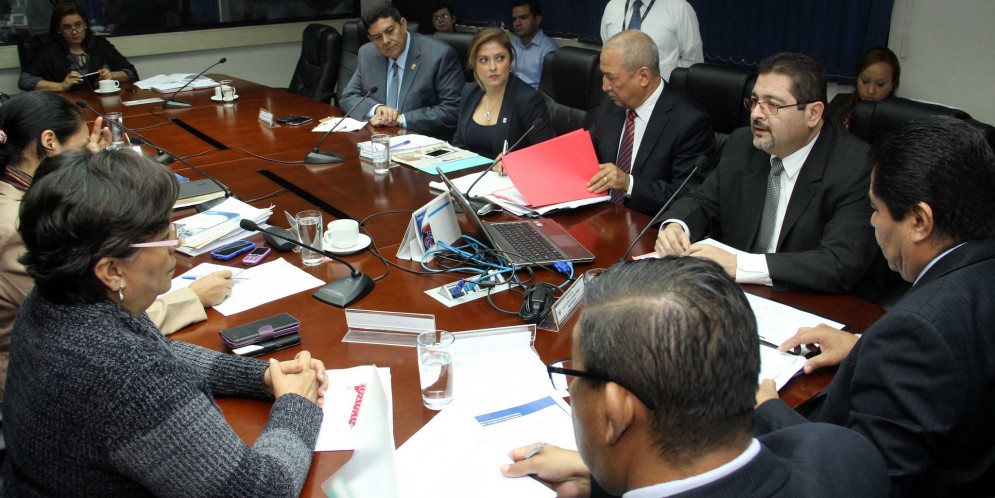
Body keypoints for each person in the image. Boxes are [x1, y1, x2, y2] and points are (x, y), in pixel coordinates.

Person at [2, 148, 328, 496]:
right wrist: (297, 402)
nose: (177, 243)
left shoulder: (56, 299)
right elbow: (261, 491)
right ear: (112, 270)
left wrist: (261, 376)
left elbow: (158, 350)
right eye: (163, 236)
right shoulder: (128, 377)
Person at [501, 258, 890, 497]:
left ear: (616, 412)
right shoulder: (845, 454)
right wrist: (605, 478)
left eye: (575, 376)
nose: (572, 388)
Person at [756, 116, 995, 497]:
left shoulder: (917, 331)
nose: (871, 222)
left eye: (876, 209)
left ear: (919, 221)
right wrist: (863, 345)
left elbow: (864, 480)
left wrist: (768, 409)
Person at [0, 92, 232, 402]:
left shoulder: (22, 193)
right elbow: (85, 317)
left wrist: (98, 178)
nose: (89, 155)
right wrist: (192, 298)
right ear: (49, 141)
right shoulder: (16, 225)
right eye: (83, 148)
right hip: (36, 383)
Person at [654, 52, 883, 298]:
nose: (756, 114)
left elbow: (839, 263)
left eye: (772, 105)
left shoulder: (856, 167)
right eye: (754, 102)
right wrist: (677, 226)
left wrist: (740, 265)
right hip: (737, 294)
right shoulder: (743, 144)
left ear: (813, 114)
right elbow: (704, 201)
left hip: (811, 301)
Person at [587, 30, 715, 215]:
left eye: (612, 77)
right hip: (603, 217)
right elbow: (588, 154)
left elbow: (688, 197)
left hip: (650, 224)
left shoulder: (690, 123)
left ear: (644, 76)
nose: (604, 86)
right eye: (603, 76)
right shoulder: (611, 106)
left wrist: (628, 183)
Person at [339, 2, 462, 138]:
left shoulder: (439, 55)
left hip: (422, 141)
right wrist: (377, 109)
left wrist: (399, 119)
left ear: (403, 25)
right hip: (379, 139)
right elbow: (348, 97)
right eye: (377, 37)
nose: (386, 41)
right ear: (371, 39)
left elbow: (452, 110)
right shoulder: (368, 54)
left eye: (390, 31)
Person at [452, 27, 554, 160]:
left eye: (500, 58)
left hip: (510, 173)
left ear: (510, 60)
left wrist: (514, 163)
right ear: (474, 64)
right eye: (484, 60)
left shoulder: (528, 100)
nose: (493, 67)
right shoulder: (469, 91)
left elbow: (546, 155)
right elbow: (459, 144)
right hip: (470, 171)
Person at [18, 1, 138, 92]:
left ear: (85, 24)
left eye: (78, 25)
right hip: (67, 106)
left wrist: (113, 75)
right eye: (67, 27)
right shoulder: (51, 51)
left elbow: (130, 72)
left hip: (102, 102)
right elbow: (24, 80)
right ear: (59, 30)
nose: (74, 31)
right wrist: (61, 86)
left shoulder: (101, 44)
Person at [600, 0, 703, 81]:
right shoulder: (612, 6)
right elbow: (607, 52)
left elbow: (692, 62)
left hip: (661, 97)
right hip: (617, 93)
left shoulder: (680, 8)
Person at [827, 47, 901, 129]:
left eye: (880, 84)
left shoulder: (899, 116)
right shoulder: (839, 102)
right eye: (865, 81)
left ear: (892, 84)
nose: (870, 91)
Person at [510, 0, 558, 90]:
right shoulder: (513, 44)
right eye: (514, 19)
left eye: (523, 18)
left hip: (533, 97)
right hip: (511, 92)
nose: (517, 23)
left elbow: (548, 91)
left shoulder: (548, 50)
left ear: (537, 20)